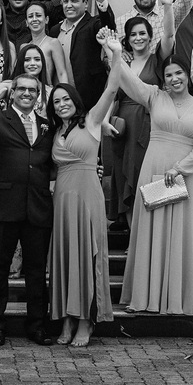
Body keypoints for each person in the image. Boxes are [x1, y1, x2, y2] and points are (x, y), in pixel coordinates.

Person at [104, 30, 193, 316]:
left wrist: (180, 169)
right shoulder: (153, 97)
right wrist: (114, 51)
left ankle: (178, 299)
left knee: (182, 236)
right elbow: (127, 80)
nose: (174, 78)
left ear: (187, 76)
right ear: (162, 79)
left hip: (185, 175)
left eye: (179, 73)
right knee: (151, 231)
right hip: (153, 170)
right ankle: (147, 297)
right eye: (168, 75)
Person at [0, 74, 57, 346]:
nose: (27, 93)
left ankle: (37, 326)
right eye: (22, 89)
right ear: (13, 92)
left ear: (38, 95)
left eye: (33, 90)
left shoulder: (47, 125)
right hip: (2, 207)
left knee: (37, 271)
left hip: (37, 207)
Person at [46, 51, 129, 347]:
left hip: (87, 196)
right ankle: (66, 318)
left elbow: (111, 88)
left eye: (66, 99)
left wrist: (116, 54)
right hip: (62, 200)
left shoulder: (93, 120)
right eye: (56, 102)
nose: (62, 104)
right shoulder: (54, 131)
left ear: (75, 101)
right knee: (65, 257)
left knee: (87, 255)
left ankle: (85, 321)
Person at [112, 0, 176, 226]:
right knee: (127, 177)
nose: (138, 38)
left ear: (150, 37)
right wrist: (108, 122)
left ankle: (152, 231)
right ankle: (133, 236)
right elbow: (112, 93)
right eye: (133, 35)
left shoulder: (158, 59)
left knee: (149, 176)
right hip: (124, 126)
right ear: (126, 39)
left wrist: (167, 6)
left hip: (151, 125)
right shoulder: (121, 62)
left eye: (142, 34)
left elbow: (169, 35)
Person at [57, 0, 116, 110]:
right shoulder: (54, 30)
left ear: (86, 3)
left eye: (74, 1)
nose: (69, 5)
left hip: (89, 100)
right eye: (65, 1)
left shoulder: (93, 24)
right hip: (61, 102)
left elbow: (108, 26)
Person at [21, 2, 69, 87]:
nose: (34, 19)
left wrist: (64, 94)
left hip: (46, 92)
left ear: (46, 19)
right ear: (26, 22)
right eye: (31, 16)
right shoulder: (24, 47)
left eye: (38, 15)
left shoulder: (53, 43)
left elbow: (62, 74)